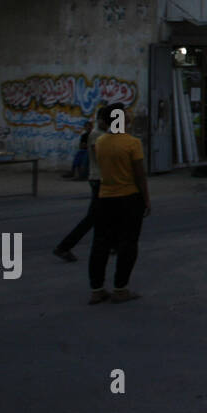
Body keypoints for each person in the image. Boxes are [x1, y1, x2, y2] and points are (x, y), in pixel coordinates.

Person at [88, 103, 150, 304]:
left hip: (105, 197)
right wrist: (146, 199)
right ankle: (120, 288)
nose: (129, 117)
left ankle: (97, 289)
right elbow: (140, 175)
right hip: (129, 197)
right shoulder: (132, 143)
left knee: (101, 243)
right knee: (128, 243)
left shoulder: (100, 142)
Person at [54, 110, 105, 262]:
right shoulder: (97, 135)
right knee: (94, 217)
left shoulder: (101, 134)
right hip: (99, 179)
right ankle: (64, 247)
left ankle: (109, 245)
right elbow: (101, 157)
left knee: (103, 215)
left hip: (101, 179)